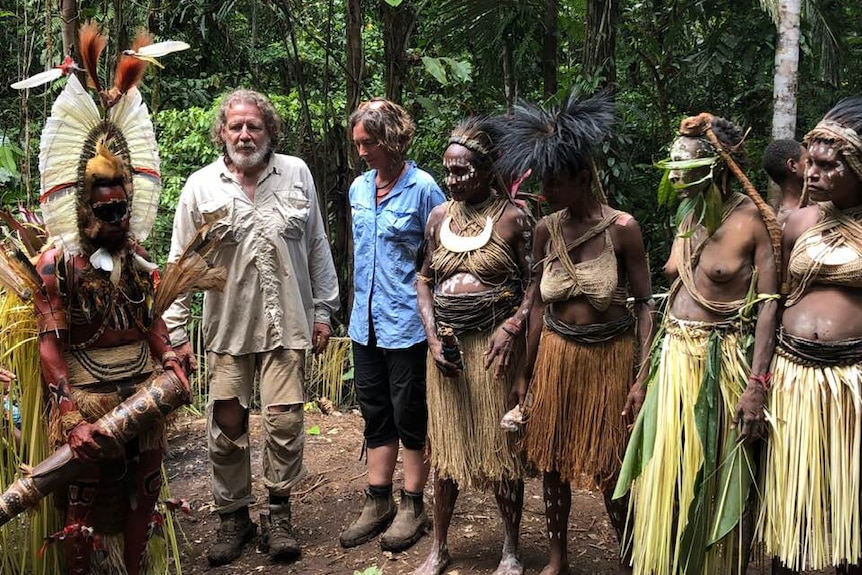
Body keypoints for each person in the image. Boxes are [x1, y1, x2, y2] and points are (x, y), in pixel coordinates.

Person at [29, 40, 190, 575]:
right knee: (82, 511)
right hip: (89, 397)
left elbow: (150, 323)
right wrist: (68, 412)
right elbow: (51, 342)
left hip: (142, 393)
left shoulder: (136, 257)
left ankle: (138, 568)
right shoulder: (57, 264)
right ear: (83, 205)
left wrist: (169, 357)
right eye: (106, 209)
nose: (118, 217)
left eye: (124, 206)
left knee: (142, 501)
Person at [163, 89, 340, 565]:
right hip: (227, 328)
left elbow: (317, 245)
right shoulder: (201, 186)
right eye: (236, 126)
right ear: (221, 132)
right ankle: (232, 518)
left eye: (254, 126)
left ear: (269, 132)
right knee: (226, 427)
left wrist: (324, 310)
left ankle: (278, 513)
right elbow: (181, 262)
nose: (245, 134)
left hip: (289, 323)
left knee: (284, 422)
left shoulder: (296, 173)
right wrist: (175, 333)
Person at [495, 91, 654, 575]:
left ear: (584, 178)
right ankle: (558, 557)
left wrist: (641, 376)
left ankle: (629, 557)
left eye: (556, 181)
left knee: (610, 464)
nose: (547, 189)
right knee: (553, 461)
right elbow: (539, 303)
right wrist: (527, 374)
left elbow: (645, 304)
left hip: (609, 358)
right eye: (544, 181)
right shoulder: (544, 229)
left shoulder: (623, 229)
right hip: (557, 357)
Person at [614, 113, 781, 575]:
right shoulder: (688, 215)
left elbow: (769, 307)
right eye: (672, 159)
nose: (672, 170)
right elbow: (674, 301)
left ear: (719, 165)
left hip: (721, 362)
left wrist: (757, 384)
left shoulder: (754, 222)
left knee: (716, 476)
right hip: (673, 359)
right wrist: (643, 376)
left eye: (684, 161)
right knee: (665, 477)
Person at [413, 117, 533, 575]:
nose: (452, 179)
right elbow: (424, 281)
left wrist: (514, 326)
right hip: (446, 348)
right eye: (448, 170)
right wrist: (431, 337)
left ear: (486, 170)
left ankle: (510, 549)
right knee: (444, 448)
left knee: (503, 452)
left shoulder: (513, 218)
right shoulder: (439, 217)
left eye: (462, 171)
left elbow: (535, 283)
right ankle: (439, 547)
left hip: (493, 350)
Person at [754, 97, 862, 575]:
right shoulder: (797, 223)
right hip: (793, 379)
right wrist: (757, 384)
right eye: (810, 163)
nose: (811, 174)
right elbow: (771, 305)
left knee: (851, 507)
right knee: (790, 504)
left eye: (826, 165)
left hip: (852, 385)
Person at [340, 98, 445, 552]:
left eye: (368, 143)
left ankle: (413, 503)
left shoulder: (424, 190)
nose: (362, 151)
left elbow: (441, 256)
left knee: (409, 412)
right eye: (358, 143)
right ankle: (377, 499)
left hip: (407, 321)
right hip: (364, 322)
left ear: (392, 140)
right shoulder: (359, 189)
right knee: (375, 408)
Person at [763, 138, 809, 225]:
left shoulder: (781, 218)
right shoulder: (793, 220)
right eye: (808, 161)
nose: (814, 167)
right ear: (792, 165)